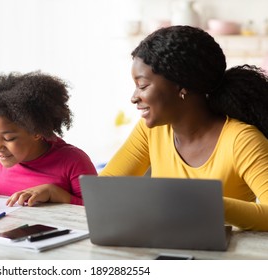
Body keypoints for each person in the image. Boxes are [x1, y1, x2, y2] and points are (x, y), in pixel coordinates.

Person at [100, 25, 268, 231]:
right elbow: (104, 190)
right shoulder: (151, 131)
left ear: (181, 87)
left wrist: (210, 205)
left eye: (142, 86)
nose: (134, 97)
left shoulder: (242, 140)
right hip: (163, 247)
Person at [0, 71, 97, 211]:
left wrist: (57, 194)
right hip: (10, 238)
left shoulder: (74, 161)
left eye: (9, 138)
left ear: (37, 132)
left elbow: (100, 211)